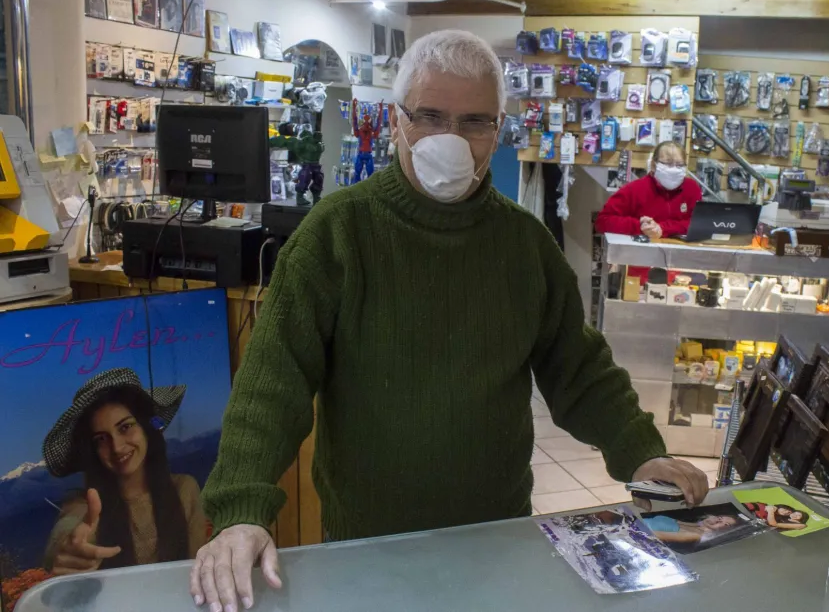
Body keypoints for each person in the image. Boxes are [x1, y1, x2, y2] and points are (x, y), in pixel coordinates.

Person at [190, 30, 709, 612]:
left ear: (498, 133)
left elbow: (579, 368)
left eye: (474, 122)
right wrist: (241, 511)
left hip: (496, 533)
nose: (451, 139)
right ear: (395, 121)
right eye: (431, 116)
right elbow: (271, 385)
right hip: (366, 542)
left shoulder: (525, 244)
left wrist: (640, 450)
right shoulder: (336, 234)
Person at [41, 368, 208, 574]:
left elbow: (195, 573)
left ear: (146, 427)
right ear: (93, 451)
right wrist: (68, 550)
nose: (117, 447)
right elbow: (67, 532)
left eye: (125, 427)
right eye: (101, 439)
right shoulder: (86, 506)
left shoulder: (184, 489)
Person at [595, 140, 702, 240]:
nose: (674, 169)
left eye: (679, 165)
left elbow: (700, 224)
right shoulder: (634, 189)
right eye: (668, 163)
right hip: (641, 255)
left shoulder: (691, 188)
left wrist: (663, 228)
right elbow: (603, 221)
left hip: (681, 256)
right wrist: (640, 226)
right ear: (653, 165)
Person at [642, 512, 743, 545]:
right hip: (633, 521)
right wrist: (703, 523)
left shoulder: (696, 536)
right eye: (720, 518)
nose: (718, 521)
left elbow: (651, 536)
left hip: (632, 530)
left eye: (726, 525)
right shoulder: (695, 526)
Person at [744, 502, 809, 531]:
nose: (795, 515)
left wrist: (770, 511)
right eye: (795, 513)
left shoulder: (801, 525)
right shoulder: (781, 518)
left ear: (802, 518)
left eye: (799, 515)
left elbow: (773, 523)